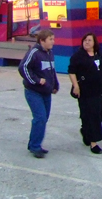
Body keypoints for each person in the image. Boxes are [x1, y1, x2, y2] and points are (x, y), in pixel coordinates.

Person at [68, 32, 102, 154]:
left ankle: (86, 131)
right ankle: (94, 143)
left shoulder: (101, 56)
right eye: (85, 40)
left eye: (89, 40)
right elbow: (72, 71)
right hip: (86, 92)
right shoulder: (78, 56)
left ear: (94, 42)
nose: (87, 42)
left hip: (101, 91)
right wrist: (75, 85)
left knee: (100, 113)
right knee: (91, 116)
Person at [18, 29, 59, 158]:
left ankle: (34, 144)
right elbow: (23, 67)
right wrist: (36, 81)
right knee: (40, 117)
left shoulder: (49, 53)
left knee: (43, 119)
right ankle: (35, 147)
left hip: (46, 92)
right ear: (42, 41)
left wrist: (55, 84)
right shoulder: (34, 53)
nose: (53, 41)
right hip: (34, 92)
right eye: (50, 39)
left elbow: (51, 71)